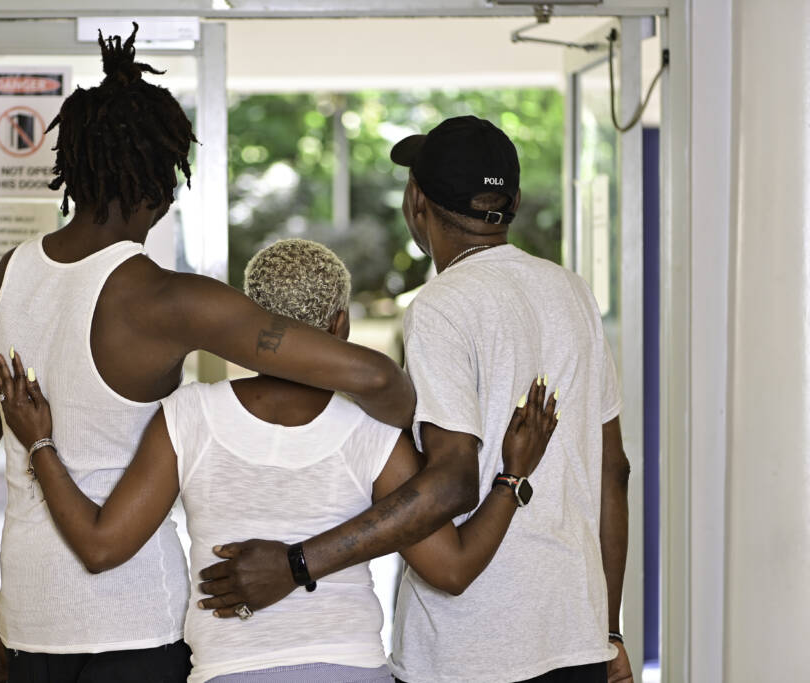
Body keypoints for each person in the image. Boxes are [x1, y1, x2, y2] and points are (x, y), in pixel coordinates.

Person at [0, 29, 414, 683]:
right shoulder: (166, 298)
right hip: (138, 627)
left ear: (72, 166)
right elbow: (371, 373)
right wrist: (393, 425)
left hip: (29, 627)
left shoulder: (10, 279)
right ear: (160, 180)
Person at [0, 238, 559, 683]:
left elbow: (100, 546)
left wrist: (40, 443)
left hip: (230, 671)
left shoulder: (188, 415)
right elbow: (451, 570)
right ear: (340, 327)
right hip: (351, 668)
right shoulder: (374, 430)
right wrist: (512, 476)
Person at [196, 117, 635, 683]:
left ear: (416, 202)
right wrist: (607, 630)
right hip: (574, 639)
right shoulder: (573, 293)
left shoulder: (441, 307)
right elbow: (613, 471)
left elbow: (449, 485)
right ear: (515, 201)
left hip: (469, 651)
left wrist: (297, 563)